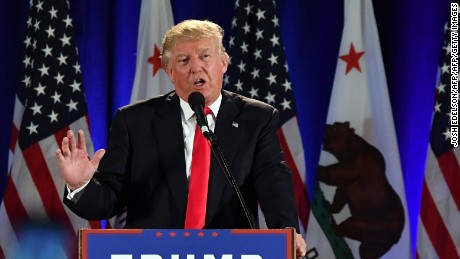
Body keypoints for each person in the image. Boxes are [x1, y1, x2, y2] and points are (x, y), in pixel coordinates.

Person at [56, 19, 306, 257]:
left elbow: (273, 183)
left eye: (205, 56)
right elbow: (108, 201)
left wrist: (286, 233)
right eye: (184, 60)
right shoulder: (135, 122)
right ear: (170, 71)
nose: (196, 67)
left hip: (230, 252)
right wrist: (81, 185)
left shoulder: (256, 118)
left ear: (223, 63)